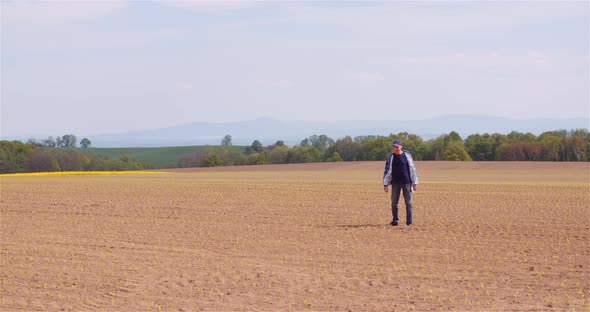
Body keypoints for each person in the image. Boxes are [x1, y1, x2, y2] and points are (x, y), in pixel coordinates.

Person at [383, 139, 419, 227]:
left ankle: (409, 223)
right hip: (395, 183)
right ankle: (395, 221)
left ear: (401, 146)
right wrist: (385, 184)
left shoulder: (407, 157)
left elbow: (413, 169)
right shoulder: (391, 158)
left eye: (397, 146)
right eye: (394, 147)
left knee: (408, 203)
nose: (395, 148)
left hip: (407, 182)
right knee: (394, 203)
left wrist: (415, 183)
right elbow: (387, 171)